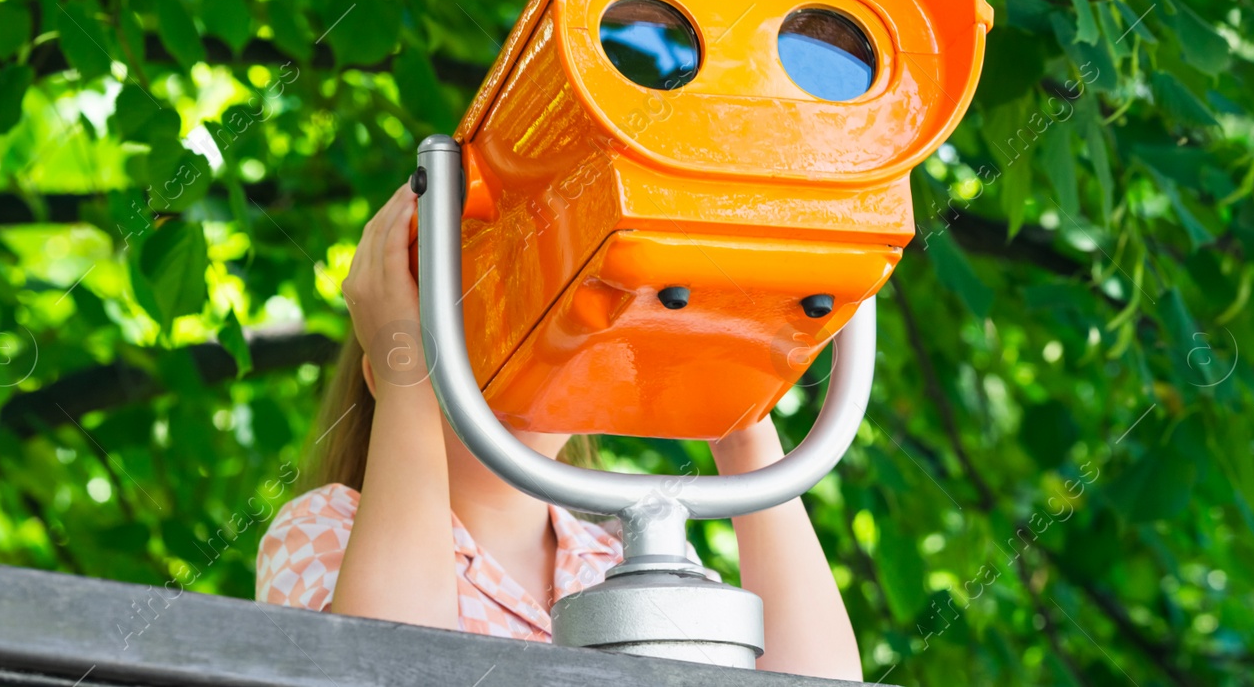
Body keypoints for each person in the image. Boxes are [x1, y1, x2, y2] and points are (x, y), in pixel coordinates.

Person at [257, 183, 862, 679]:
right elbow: (391, 670)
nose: (527, 364)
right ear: (385, 373)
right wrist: (408, 374)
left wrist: (737, 415)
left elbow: (815, 680)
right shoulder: (323, 528)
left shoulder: (629, 554)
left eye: (550, 329)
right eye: (481, 342)